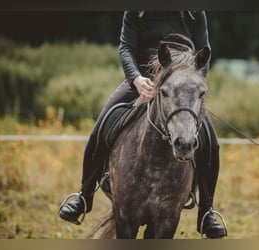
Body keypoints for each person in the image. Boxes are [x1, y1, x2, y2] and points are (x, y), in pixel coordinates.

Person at [59, 11, 226, 239]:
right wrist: (136, 79)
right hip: (143, 78)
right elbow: (126, 48)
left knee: (212, 144)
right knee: (101, 125)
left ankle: (207, 213)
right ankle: (83, 196)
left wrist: (192, 81)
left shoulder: (195, 11)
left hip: (182, 83)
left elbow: (204, 51)